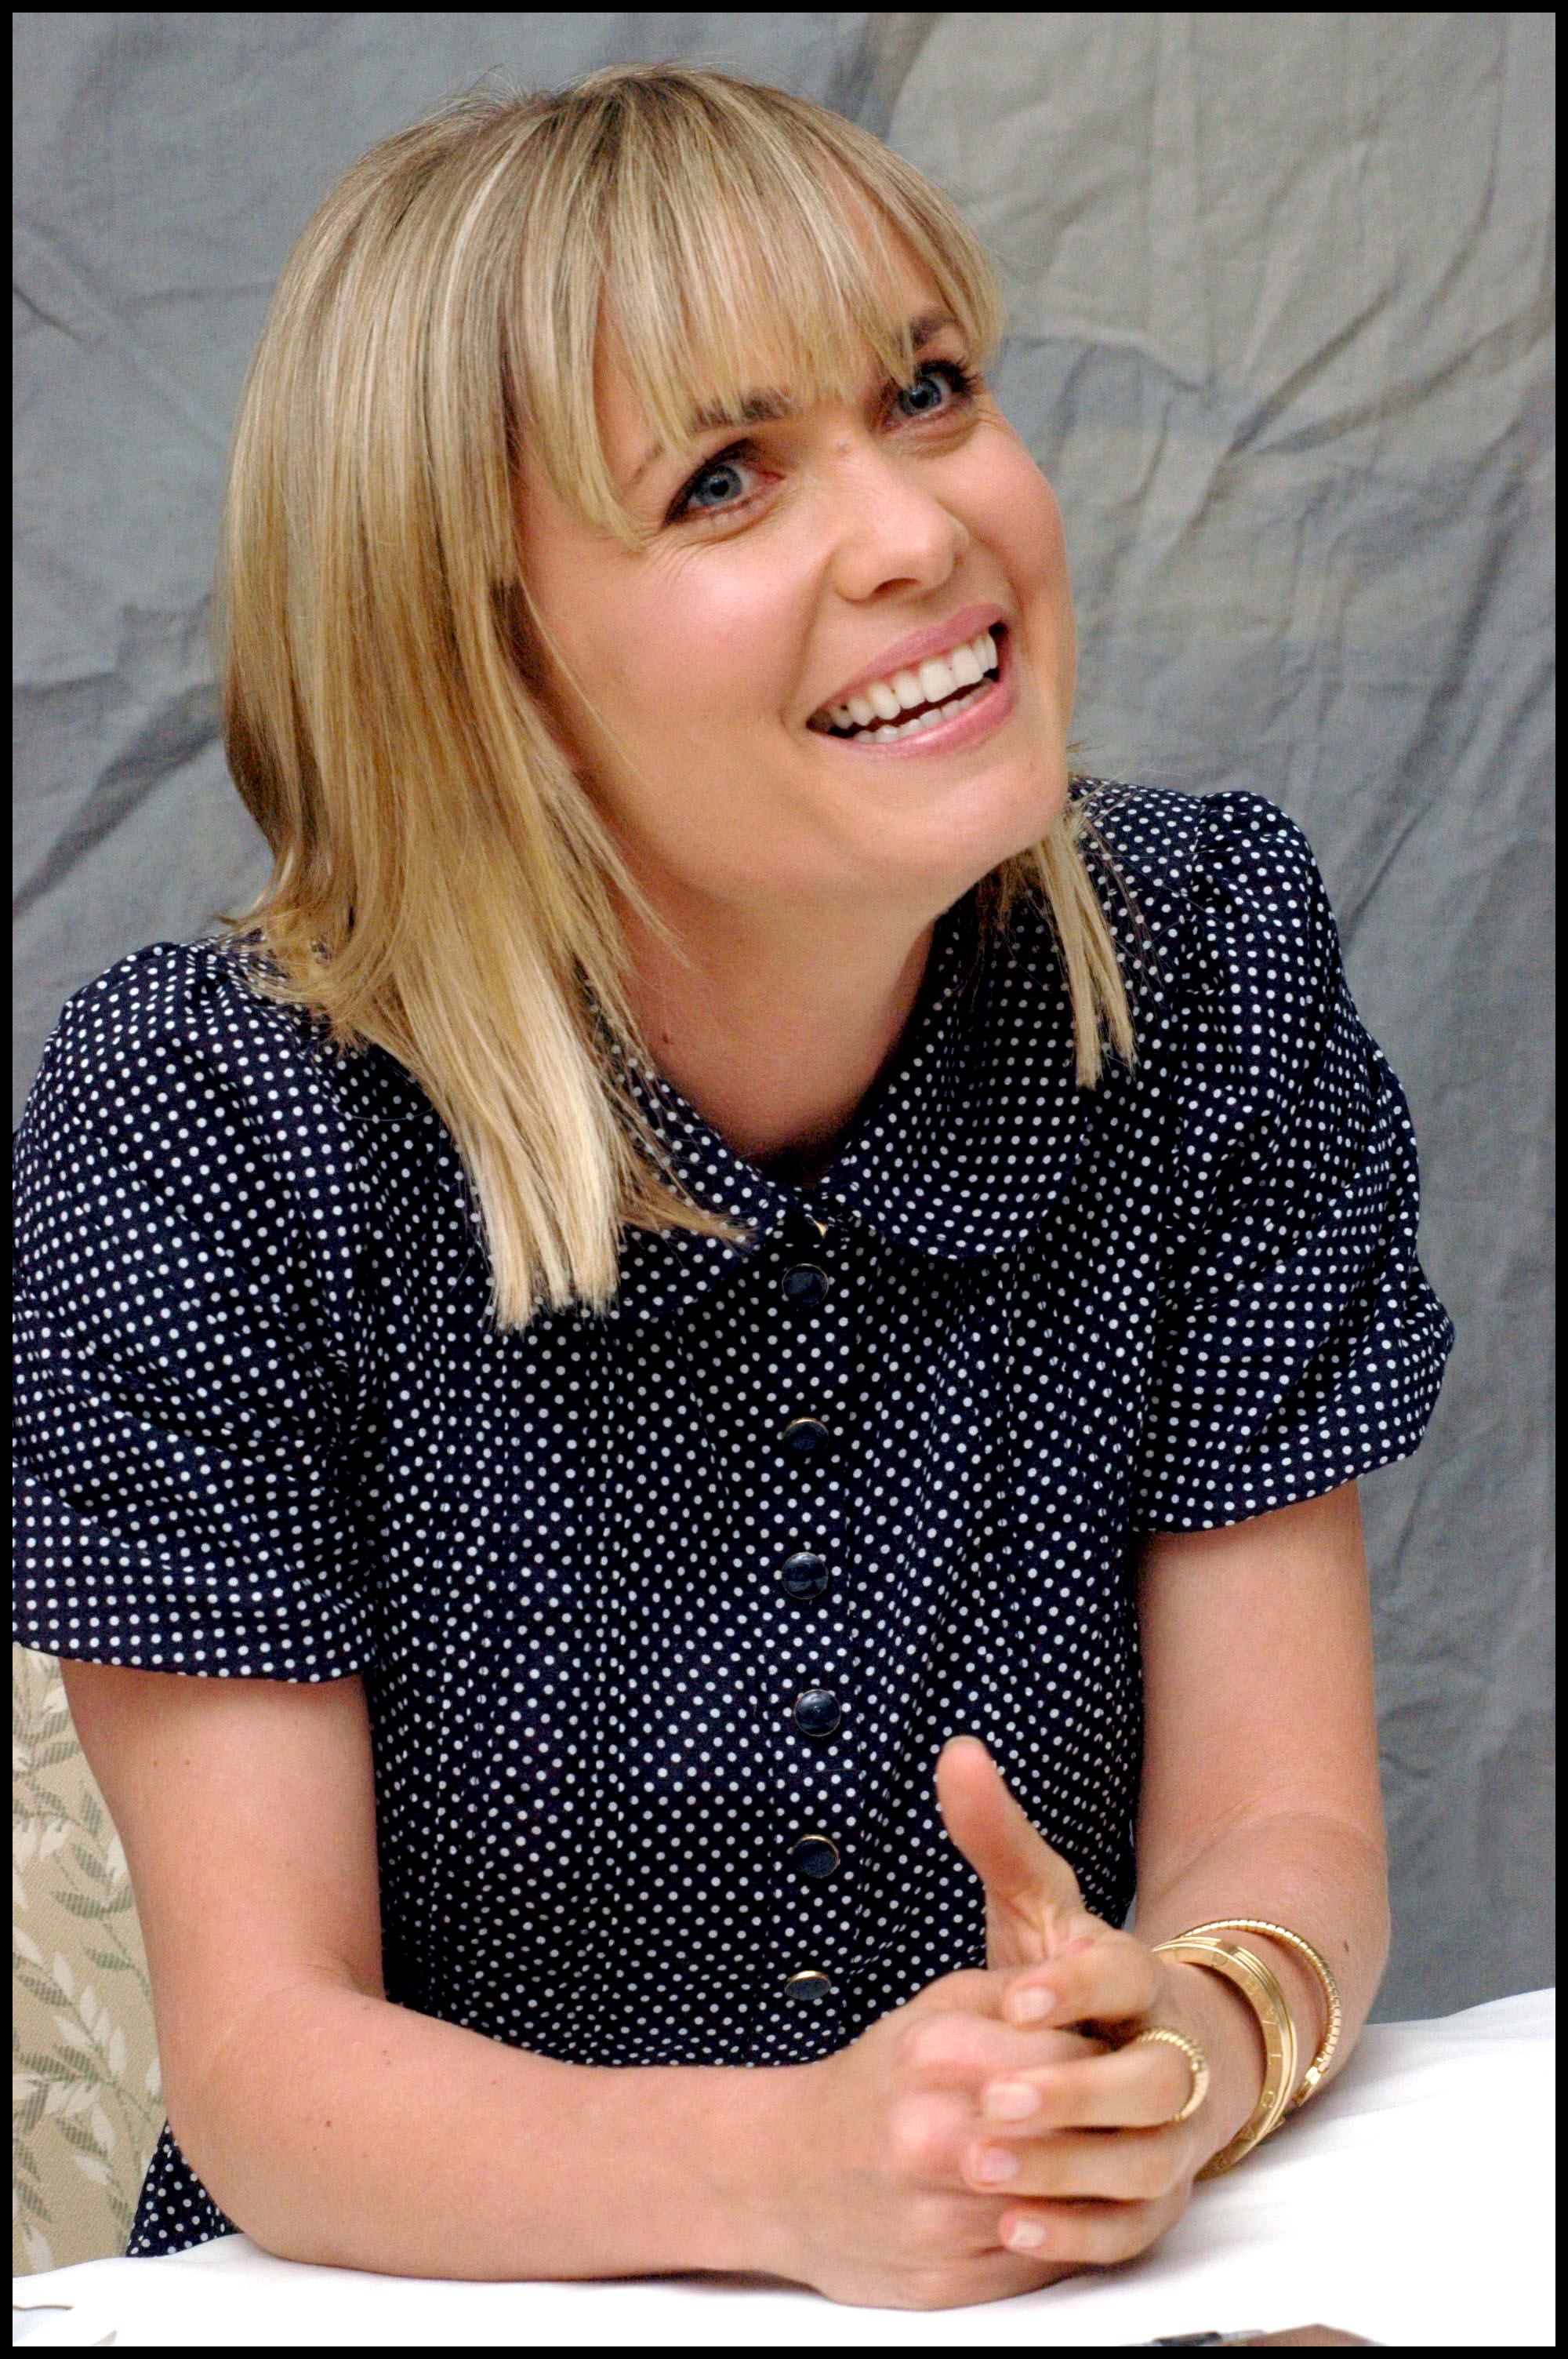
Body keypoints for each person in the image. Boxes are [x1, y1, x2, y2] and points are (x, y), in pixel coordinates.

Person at [12, 63, 1454, 2313]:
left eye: (929, 392)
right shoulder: (202, 1127)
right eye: (720, 481)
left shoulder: (1212, 972)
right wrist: (794, 2177)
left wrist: (1178, 2045)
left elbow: (1282, 1827)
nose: (914, 536)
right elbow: (274, 2066)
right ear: (480, 661)